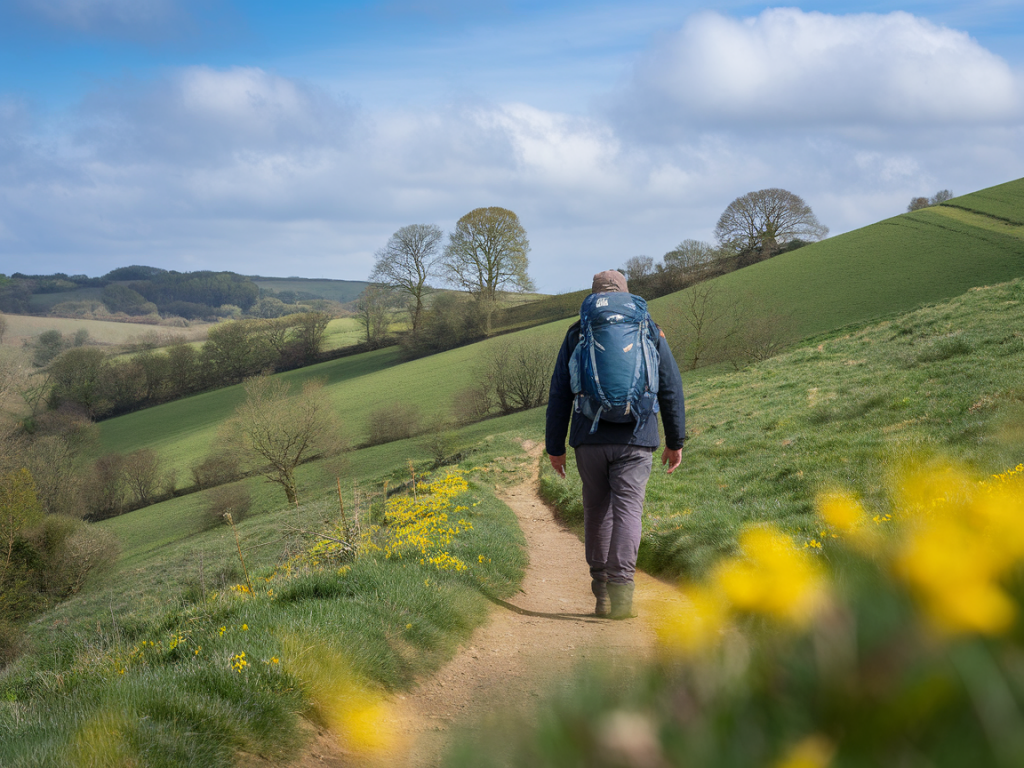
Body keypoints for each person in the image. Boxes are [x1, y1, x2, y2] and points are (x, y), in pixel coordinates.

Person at [545, 270, 686, 619]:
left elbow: (560, 392)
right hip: (637, 437)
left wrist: (555, 447)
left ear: (593, 296)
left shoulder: (578, 331)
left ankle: (602, 593)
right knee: (628, 511)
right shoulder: (648, 328)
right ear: (626, 293)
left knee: (596, 510)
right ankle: (622, 594)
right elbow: (670, 385)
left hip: (588, 437)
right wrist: (675, 439)